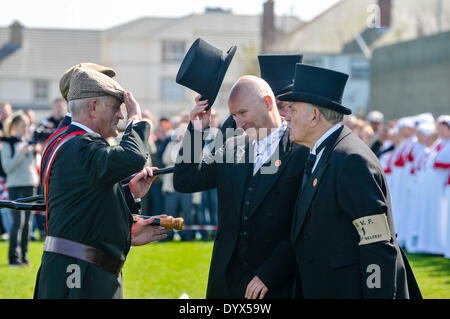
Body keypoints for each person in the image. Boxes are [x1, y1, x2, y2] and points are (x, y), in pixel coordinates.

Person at [282, 63, 421, 298]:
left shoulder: (351, 160)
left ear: (314, 115)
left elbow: (377, 244)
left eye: (293, 110)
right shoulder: (325, 152)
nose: (286, 117)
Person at [34, 67, 168, 298]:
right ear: (93, 107)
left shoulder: (69, 141)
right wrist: (136, 120)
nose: (120, 115)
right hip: (79, 274)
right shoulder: (81, 145)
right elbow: (133, 157)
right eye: (116, 108)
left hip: (76, 269)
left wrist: (129, 196)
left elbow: (87, 202)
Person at [174, 75, 308, 299]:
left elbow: (303, 227)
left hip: (277, 286)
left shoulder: (301, 151)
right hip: (227, 283)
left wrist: (271, 273)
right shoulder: (232, 147)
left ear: (268, 102)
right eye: (234, 115)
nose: (238, 123)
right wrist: (197, 131)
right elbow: (186, 180)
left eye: (243, 113)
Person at [1, 111, 40, 266]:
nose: (26, 128)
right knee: (17, 223)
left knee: (28, 224)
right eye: (24, 125)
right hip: (15, 186)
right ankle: (13, 258)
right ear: (15, 126)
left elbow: (33, 166)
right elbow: (7, 168)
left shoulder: (28, 142)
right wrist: (21, 154)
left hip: (31, 185)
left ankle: (24, 256)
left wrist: (36, 152)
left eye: (27, 125)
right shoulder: (7, 144)